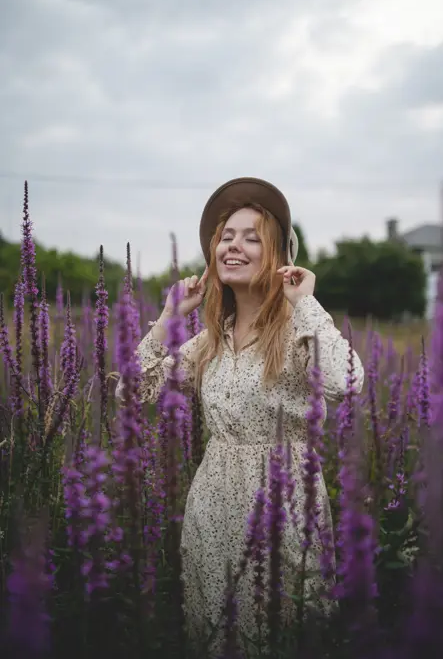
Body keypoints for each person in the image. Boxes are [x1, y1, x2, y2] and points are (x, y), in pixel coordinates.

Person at [117, 177, 364, 652]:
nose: (234, 246)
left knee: (284, 630)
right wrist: (169, 317)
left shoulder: (297, 331)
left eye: (252, 237)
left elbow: (347, 382)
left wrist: (305, 302)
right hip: (211, 508)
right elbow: (133, 391)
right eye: (226, 237)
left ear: (277, 256)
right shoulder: (212, 338)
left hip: (284, 507)